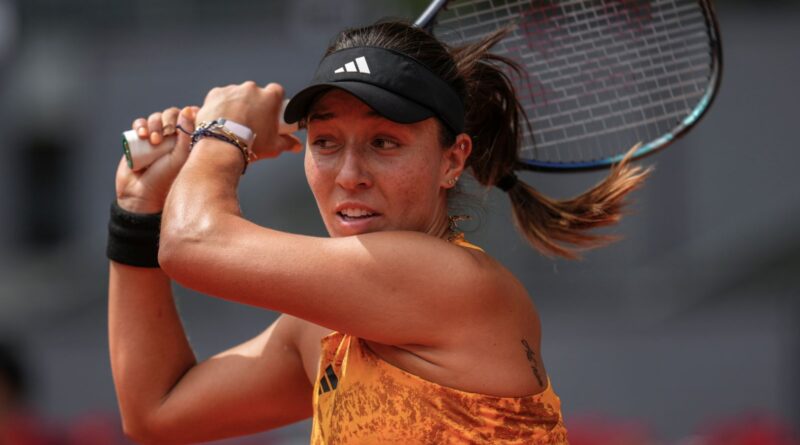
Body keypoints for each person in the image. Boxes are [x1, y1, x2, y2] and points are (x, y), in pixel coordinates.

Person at [108, 21, 650, 444]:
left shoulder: (452, 283)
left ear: (452, 160)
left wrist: (224, 132)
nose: (349, 175)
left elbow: (193, 244)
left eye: (384, 143)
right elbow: (157, 412)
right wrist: (138, 206)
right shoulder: (319, 328)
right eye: (326, 142)